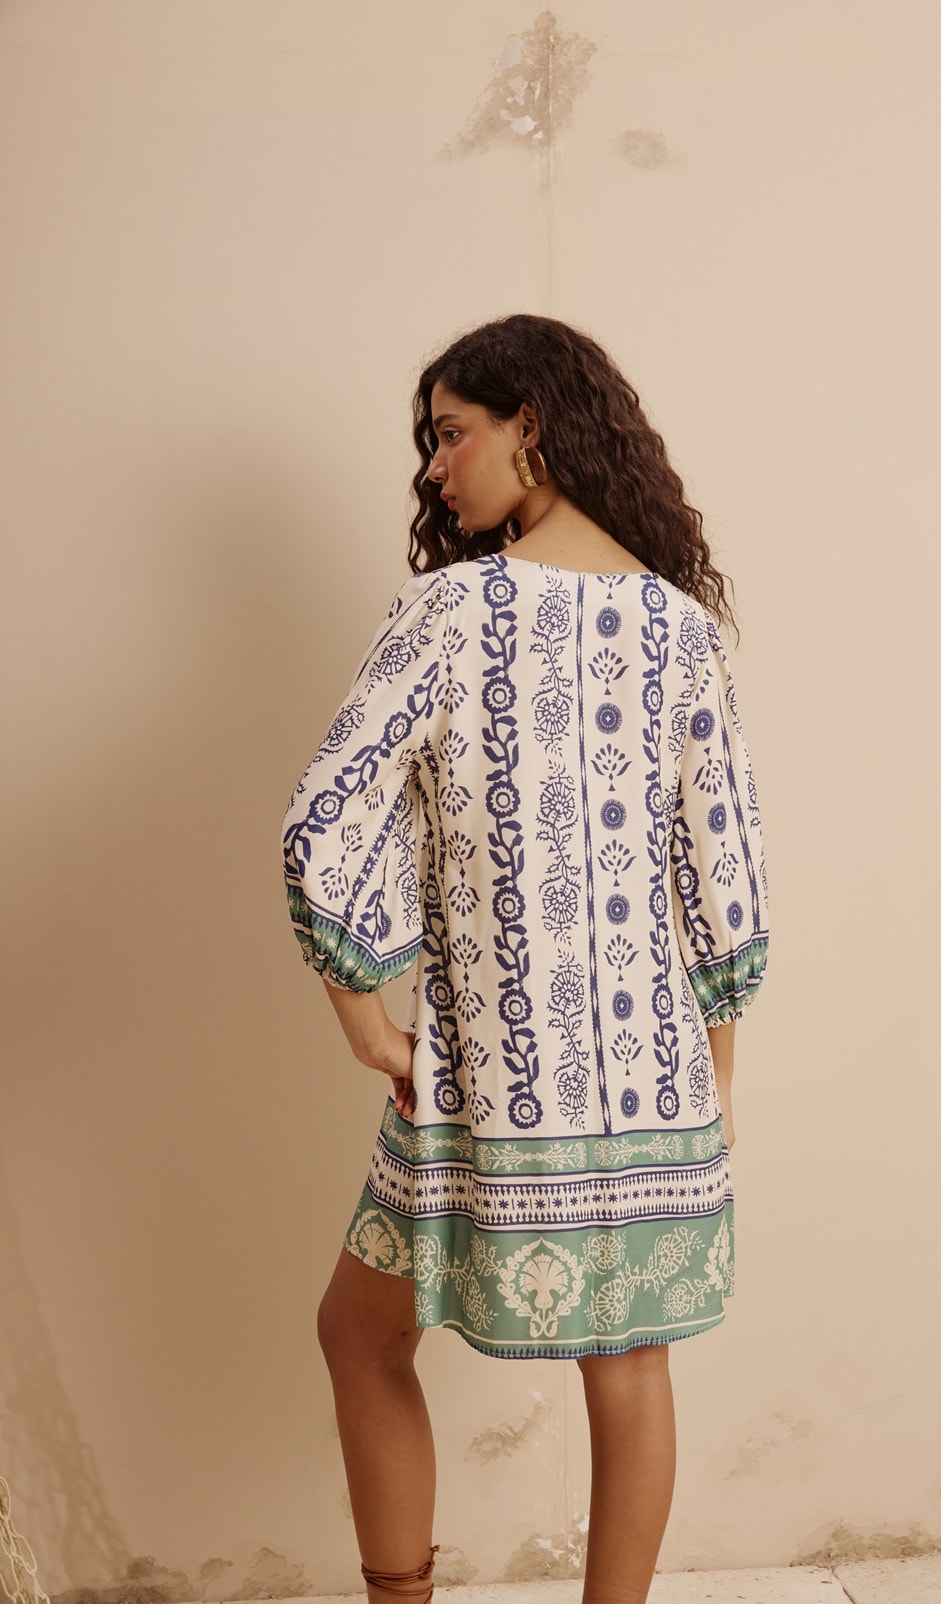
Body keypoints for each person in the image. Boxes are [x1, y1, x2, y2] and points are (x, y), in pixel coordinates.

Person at [280, 314, 770, 1604]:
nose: (435, 468)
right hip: (657, 1077)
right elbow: (722, 876)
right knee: (634, 1366)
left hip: (491, 1078)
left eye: (452, 435)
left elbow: (325, 817)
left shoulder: (451, 611)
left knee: (358, 1334)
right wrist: (718, 1075)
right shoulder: (679, 626)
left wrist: (367, 1022)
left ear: (531, 428)